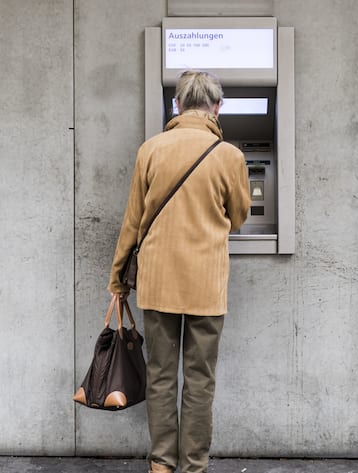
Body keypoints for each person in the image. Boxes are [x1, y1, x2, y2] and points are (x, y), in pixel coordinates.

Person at [107, 70, 251, 473]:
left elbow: (132, 221)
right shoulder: (230, 156)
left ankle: (161, 465)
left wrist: (118, 277)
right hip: (206, 285)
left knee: (161, 376)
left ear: (177, 105)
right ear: (217, 107)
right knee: (200, 380)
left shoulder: (150, 150)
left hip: (158, 284)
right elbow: (238, 217)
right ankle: (193, 466)